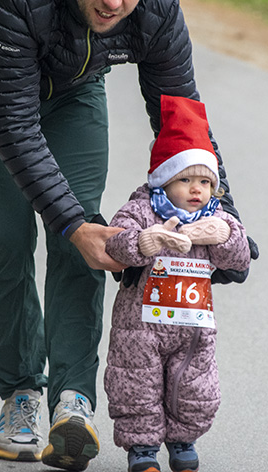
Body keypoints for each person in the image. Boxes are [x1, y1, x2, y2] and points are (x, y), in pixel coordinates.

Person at [0, 0, 258, 470]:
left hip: (74, 86)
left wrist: (222, 218)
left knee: (91, 235)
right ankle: (20, 393)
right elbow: (14, 124)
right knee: (7, 237)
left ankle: (73, 401)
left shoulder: (158, 4)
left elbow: (181, 117)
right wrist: (69, 223)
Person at [104, 95, 251, 472]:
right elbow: (115, 244)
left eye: (204, 181)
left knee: (194, 387)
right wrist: (144, 242)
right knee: (137, 384)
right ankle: (142, 448)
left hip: (193, 326)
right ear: (164, 180)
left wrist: (223, 235)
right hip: (141, 326)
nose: (196, 189)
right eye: (185, 179)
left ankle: (183, 438)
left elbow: (240, 259)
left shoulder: (217, 216)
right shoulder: (142, 210)